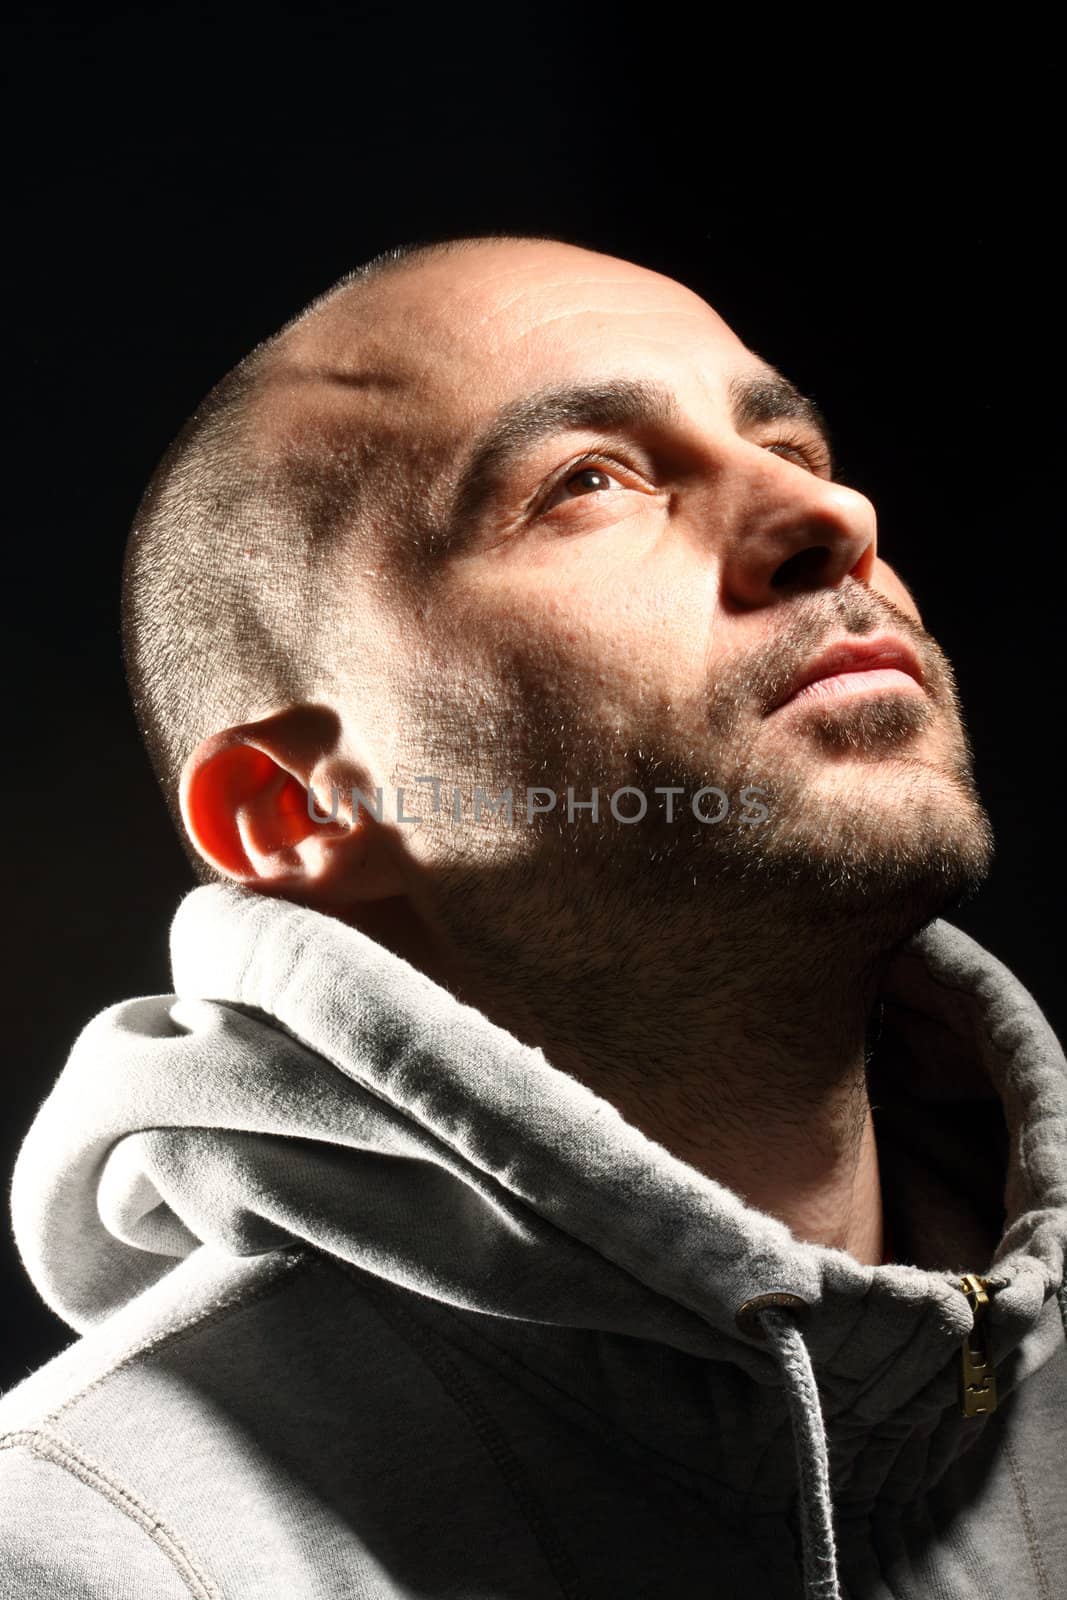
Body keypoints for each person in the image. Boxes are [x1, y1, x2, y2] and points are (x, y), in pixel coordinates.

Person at [1, 233, 1064, 1600]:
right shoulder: (87, 1556)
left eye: (794, 449)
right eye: (589, 483)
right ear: (299, 810)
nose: (832, 517)